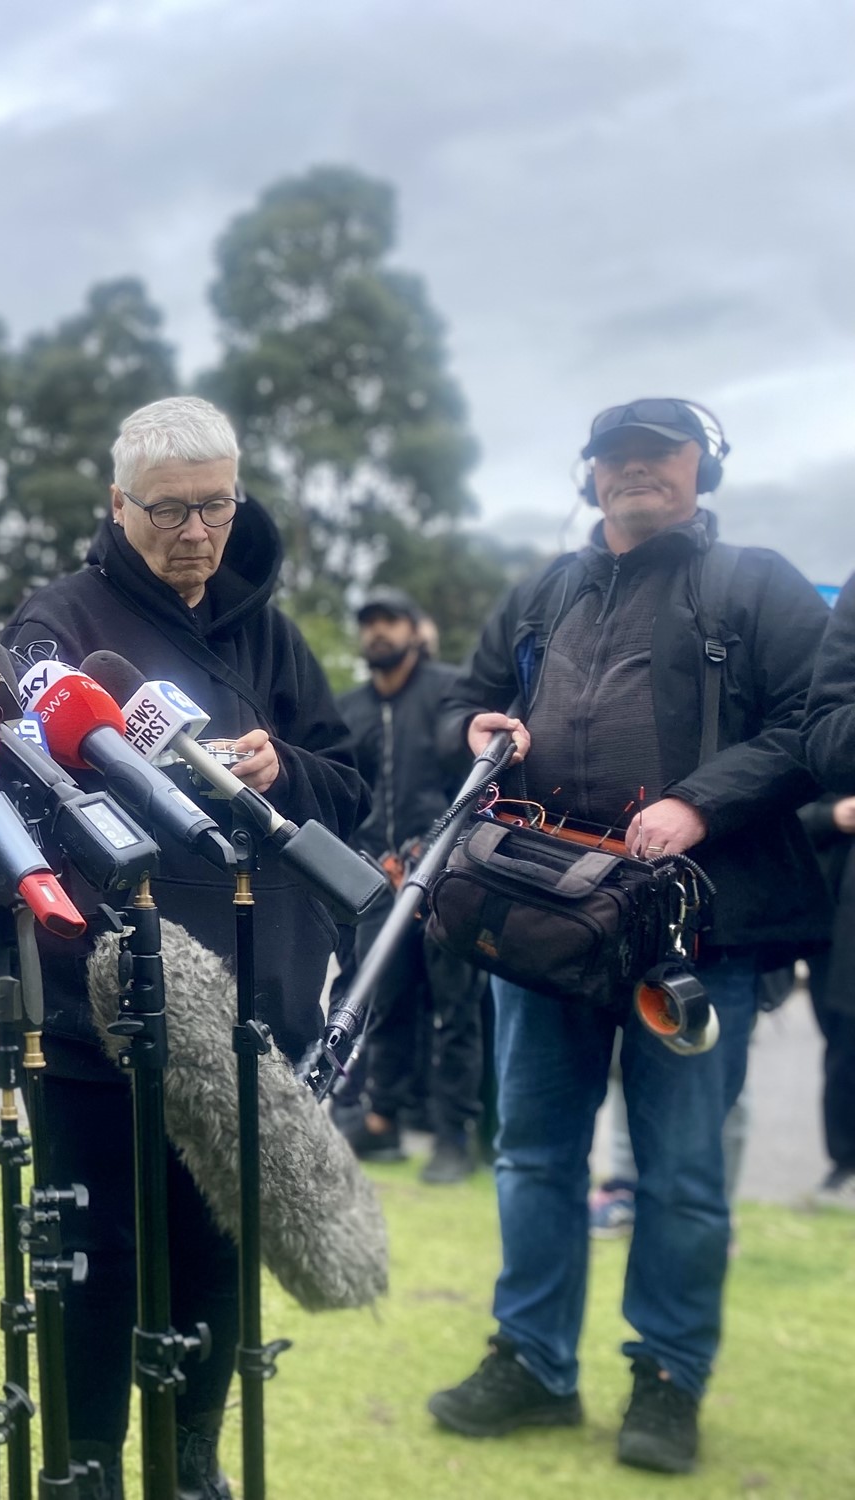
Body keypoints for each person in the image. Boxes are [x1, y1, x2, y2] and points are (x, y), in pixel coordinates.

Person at [429, 398, 831, 1475]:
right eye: (614, 455)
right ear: (588, 474)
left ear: (701, 466)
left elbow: (813, 725)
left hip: (695, 934)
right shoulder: (542, 590)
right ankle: (530, 1362)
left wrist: (701, 802)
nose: (634, 470)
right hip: (540, 923)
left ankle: (665, 1379)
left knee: (682, 1174)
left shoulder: (758, 585)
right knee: (531, 1158)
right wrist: (470, 728)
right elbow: (459, 703)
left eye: (658, 453)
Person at [3, 395, 367, 1498]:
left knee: (215, 1249)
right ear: (118, 506)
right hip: (97, 1008)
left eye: (215, 507)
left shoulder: (270, 632)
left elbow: (346, 784)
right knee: (94, 1256)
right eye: (168, 511)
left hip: (249, 1012)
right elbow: (30, 785)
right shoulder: (53, 621)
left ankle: (190, 1465)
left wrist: (282, 774)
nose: (195, 533)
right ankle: (82, 1470)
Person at [333, 586, 487, 1184]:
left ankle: (454, 1136)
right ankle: (383, 1124)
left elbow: (480, 787)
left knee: (456, 1010)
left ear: (416, 630)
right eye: (369, 622)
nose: (378, 632)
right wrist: (370, 858)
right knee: (382, 1003)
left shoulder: (452, 696)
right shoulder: (352, 709)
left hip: (451, 877)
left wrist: (436, 849)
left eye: (390, 620)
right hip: (380, 880)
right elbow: (348, 799)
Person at [803, 571, 855, 1207]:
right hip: (840, 906)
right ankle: (844, 1162)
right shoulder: (826, 702)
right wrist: (835, 816)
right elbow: (797, 804)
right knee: (845, 1039)